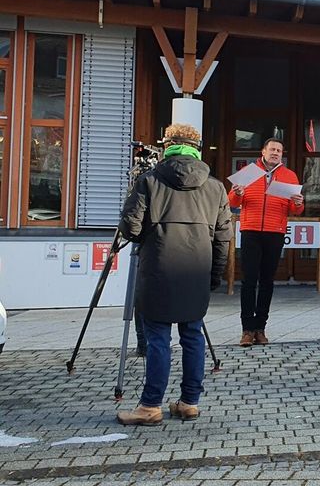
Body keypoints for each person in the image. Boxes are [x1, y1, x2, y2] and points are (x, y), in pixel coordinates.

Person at [116, 124, 232, 425]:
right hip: (196, 272)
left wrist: (150, 238)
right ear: (197, 147)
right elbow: (223, 238)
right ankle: (190, 402)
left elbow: (130, 227)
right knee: (192, 336)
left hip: (158, 269)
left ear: (167, 145)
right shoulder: (215, 187)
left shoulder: (149, 180)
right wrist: (214, 275)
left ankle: (150, 406)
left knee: (158, 338)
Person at [228, 138, 304, 347]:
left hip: (275, 231)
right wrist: (237, 193)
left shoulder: (289, 176)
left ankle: (260, 328)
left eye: (279, 150)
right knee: (248, 281)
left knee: (267, 281)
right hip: (251, 230)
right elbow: (232, 202)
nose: (275, 153)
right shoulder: (249, 172)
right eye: (272, 149)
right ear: (263, 151)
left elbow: (294, 209)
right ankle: (247, 330)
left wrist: (298, 203)